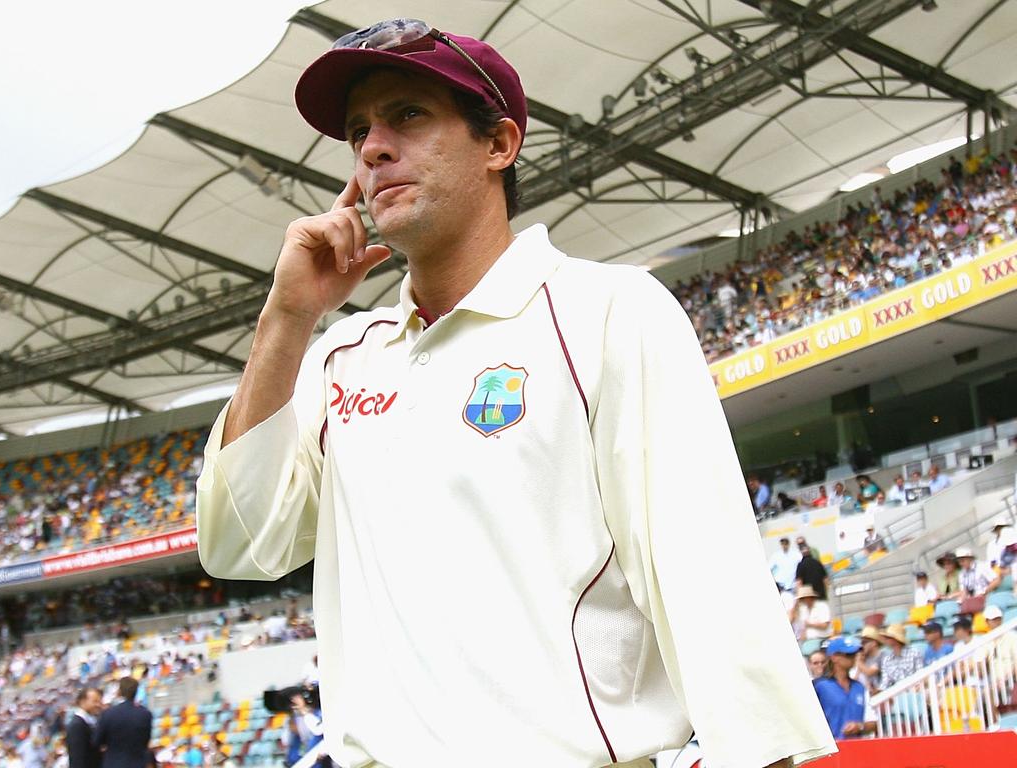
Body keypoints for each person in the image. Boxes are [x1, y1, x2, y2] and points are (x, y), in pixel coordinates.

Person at [194, 17, 835, 768]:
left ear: (499, 144)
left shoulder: (608, 312)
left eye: (407, 115)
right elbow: (239, 543)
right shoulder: (343, 356)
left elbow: (707, 581)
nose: (372, 148)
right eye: (358, 130)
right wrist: (288, 317)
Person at [812, 637, 877, 739]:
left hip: (856, 749)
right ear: (834, 657)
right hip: (830, 750)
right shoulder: (818, 686)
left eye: (854, 654)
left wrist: (860, 726)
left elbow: (872, 723)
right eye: (848, 655)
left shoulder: (860, 687)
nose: (853, 658)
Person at [93, 677, 152, 768]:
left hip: (113, 763)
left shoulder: (108, 713)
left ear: (119, 691)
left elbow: (97, 741)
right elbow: (146, 740)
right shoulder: (145, 714)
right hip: (137, 763)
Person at [66, 687, 103, 768]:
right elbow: (77, 758)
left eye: (100, 702)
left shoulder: (93, 722)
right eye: (95, 701)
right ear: (82, 702)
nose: (98, 705)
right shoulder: (77, 725)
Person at [878, 624, 924, 690]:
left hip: (915, 692)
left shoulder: (914, 653)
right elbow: (885, 683)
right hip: (897, 695)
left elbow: (921, 675)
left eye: (888, 637)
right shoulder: (886, 660)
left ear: (895, 639)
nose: (885, 640)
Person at [283, 693, 323, 766]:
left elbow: (319, 730)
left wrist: (303, 709)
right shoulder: (295, 741)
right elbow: (285, 740)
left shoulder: (317, 714)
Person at [854, 626, 882, 693]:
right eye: (861, 643)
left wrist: (858, 661)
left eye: (864, 642)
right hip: (871, 695)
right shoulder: (865, 658)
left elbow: (870, 672)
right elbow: (855, 679)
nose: (862, 645)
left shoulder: (882, 656)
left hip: (884, 695)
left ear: (874, 643)